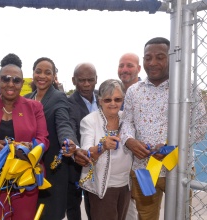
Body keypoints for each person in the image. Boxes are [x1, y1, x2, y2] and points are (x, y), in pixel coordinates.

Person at [120, 37, 207, 220]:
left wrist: (170, 145)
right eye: (147, 57)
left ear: (171, 58)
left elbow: (200, 126)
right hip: (143, 169)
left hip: (177, 167)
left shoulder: (187, 88)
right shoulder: (134, 91)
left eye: (160, 57)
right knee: (145, 217)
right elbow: (127, 122)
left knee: (181, 216)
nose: (152, 63)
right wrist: (129, 140)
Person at [0, 53, 49, 220]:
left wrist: (30, 147)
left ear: (23, 83)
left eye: (16, 80)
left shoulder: (34, 107)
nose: (10, 84)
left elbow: (43, 139)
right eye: (5, 79)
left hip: (25, 180)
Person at [25, 57, 78, 220]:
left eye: (48, 73)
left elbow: (64, 123)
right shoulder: (26, 99)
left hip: (52, 167)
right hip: (28, 167)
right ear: (33, 73)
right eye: (38, 71)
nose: (42, 76)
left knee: (51, 214)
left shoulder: (58, 97)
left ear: (54, 76)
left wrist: (68, 140)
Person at [78, 79, 132, 220]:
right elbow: (86, 154)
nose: (113, 104)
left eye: (118, 99)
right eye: (108, 100)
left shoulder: (127, 118)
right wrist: (102, 146)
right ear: (100, 100)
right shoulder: (89, 121)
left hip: (125, 185)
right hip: (102, 187)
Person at [67, 63, 98, 220]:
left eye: (90, 80)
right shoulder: (67, 103)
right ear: (74, 80)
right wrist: (76, 150)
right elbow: (68, 128)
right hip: (76, 163)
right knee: (73, 205)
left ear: (96, 80)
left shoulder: (104, 97)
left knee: (95, 207)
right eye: (82, 80)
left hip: (101, 161)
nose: (86, 84)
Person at [118, 53, 141, 220]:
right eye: (121, 65)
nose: (124, 69)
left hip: (144, 162)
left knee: (145, 210)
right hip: (122, 164)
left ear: (139, 69)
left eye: (130, 65)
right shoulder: (115, 92)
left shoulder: (149, 91)